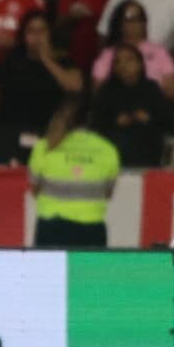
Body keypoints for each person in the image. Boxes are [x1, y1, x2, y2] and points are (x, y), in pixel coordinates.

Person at [0, 10, 82, 164]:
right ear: (24, 35)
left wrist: (46, 59)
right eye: (31, 31)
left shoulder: (63, 61)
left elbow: (75, 86)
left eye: (41, 31)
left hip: (49, 139)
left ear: (50, 33)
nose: (36, 36)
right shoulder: (12, 61)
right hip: (10, 135)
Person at [29, 96, 119, 247]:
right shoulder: (108, 150)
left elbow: (34, 190)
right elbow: (108, 193)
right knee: (90, 272)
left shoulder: (44, 147)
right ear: (90, 118)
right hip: (92, 229)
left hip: (51, 228)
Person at [91, 42, 173, 167]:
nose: (123, 65)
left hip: (148, 144)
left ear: (140, 64)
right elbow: (96, 123)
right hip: (115, 146)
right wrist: (116, 122)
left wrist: (148, 118)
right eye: (118, 62)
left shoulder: (151, 88)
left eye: (129, 60)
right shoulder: (107, 91)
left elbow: (168, 121)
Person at [92, 0, 174, 102]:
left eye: (140, 18)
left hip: (154, 107)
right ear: (120, 23)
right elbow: (99, 92)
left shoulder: (159, 52)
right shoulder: (108, 55)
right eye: (130, 18)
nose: (135, 22)